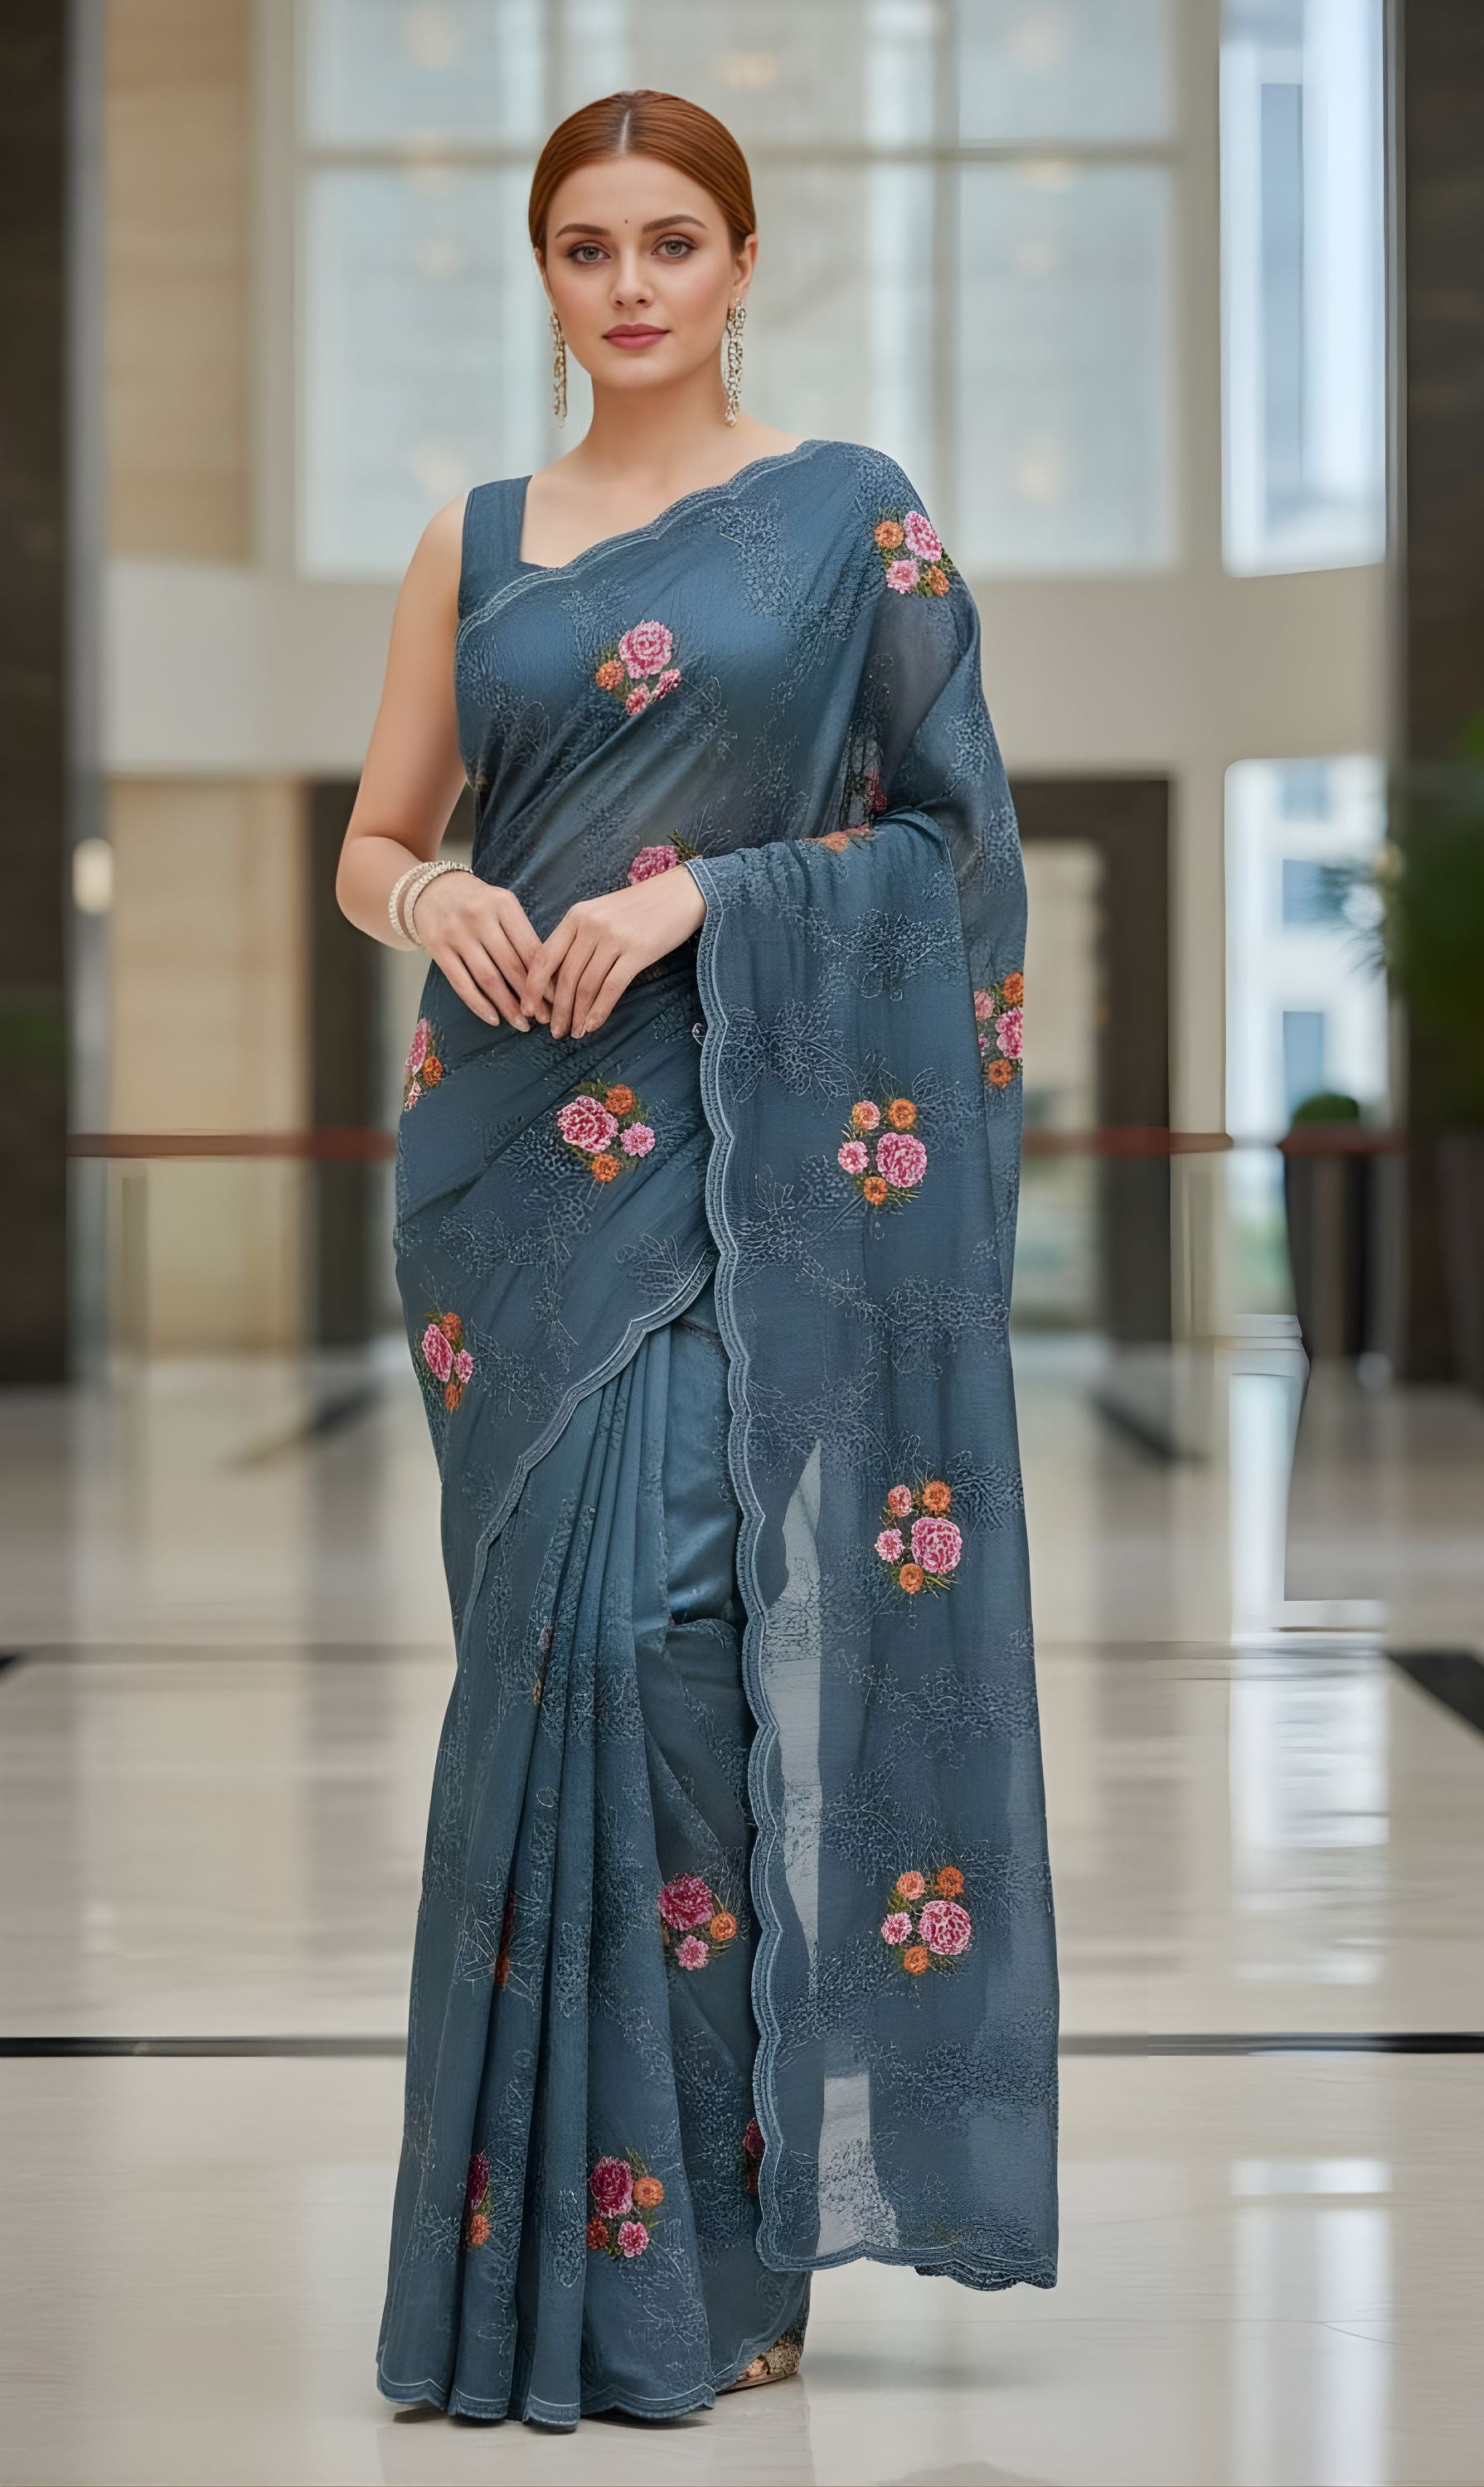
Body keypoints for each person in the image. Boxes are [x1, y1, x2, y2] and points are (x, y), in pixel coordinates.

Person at [336, 87, 1059, 2431]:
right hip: (501, 1164)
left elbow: (953, 848)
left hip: (737, 1152)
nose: (628, 284)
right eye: (585, 246)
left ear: (745, 263)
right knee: (536, 1668)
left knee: (668, 1637)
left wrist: (696, 908)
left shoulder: (853, 522)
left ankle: (708, 2246)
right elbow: (374, 833)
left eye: (670, 240)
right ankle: (541, 2261)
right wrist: (435, 893)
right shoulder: (470, 539)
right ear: (544, 275)